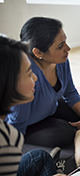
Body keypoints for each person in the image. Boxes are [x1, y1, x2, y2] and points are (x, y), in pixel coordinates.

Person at [5, 17, 80, 148]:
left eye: (65, 41)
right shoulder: (23, 77)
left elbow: (70, 92)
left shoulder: (61, 61)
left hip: (49, 106)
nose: (68, 48)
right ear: (38, 52)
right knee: (66, 135)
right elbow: (16, 122)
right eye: (60, 46)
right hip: (27, 122)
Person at [0, 36, 66, 176]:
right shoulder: (6, 140)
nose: (35, 78)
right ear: (8, 83)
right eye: (29, 73)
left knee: (41, 156)